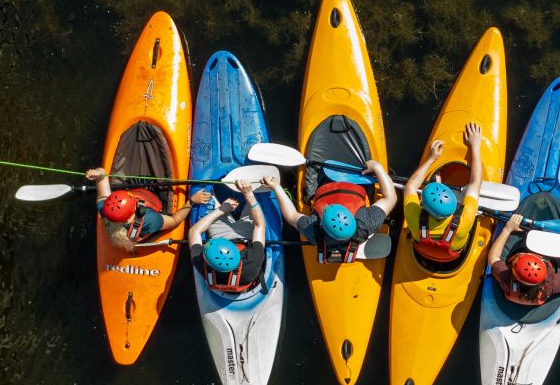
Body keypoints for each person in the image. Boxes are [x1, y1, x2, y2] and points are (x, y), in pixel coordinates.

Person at [266, 159, 396, 263]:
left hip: (325, 180)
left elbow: (291, 215)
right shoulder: (366, 223)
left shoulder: (313, 229)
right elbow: (391, 197)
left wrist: (277, 187)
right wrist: (377, 167)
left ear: (321, 223)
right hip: (356, 180)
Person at [403, 123, 486, 268]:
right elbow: (475, 183)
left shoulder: (413, 216)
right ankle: (440, 182)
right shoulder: (465, 220)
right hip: (452, 256)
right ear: (455, 205)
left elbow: (410, 186)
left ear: (423, 204)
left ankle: (438, 181)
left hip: (424, 250)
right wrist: (475, 147)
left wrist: (431, 158)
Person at [485, 213, 560, 306]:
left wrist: (507, 229)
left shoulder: (506, 277)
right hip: (547, 259)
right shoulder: (548, 285)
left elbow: (493, 257)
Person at [88, 167, 208, 252]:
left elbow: (102, 175)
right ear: (134, 210)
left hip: (127, 236)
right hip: (153, 199)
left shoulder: (105, 209)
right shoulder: (149, 220)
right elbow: (174, 220)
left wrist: (98, 173)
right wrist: (192, 201)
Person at [187, 179, 268, 293]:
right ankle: (251, 189)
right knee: (257, 197)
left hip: (219, 235)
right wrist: (248, 194)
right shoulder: (252, 263)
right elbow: (259, 226)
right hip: (246, 237)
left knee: (202, 192)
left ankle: (214, 190)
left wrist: (221, 210)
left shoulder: (201, 261)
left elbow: (194, 232)